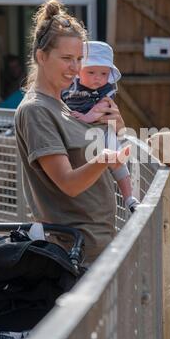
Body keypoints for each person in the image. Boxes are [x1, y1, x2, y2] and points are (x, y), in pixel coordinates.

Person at [15, 0, 129, 264]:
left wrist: (119, 128)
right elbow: (69, 183)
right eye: (66, 58)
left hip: (97, 243)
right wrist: (105, 159)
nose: (75, 68)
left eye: (79, 59)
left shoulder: (63, 105)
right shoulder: (36, 110)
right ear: (41, 57)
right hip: (75, 252)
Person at [61, 41, 140, 213]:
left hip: (102, 128)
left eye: (104, 73)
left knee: (117, 159)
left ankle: (129, 197)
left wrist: (87, 116)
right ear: (79, 69)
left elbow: (103, 107)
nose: (98, 78)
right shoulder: (68, 87)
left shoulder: (106, 89)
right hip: (75, 134)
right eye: (91, 72)